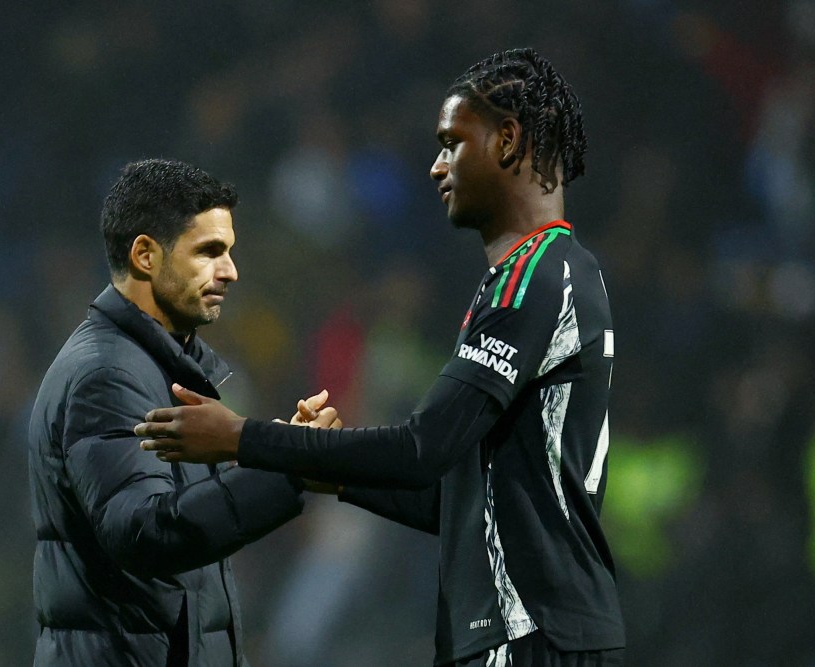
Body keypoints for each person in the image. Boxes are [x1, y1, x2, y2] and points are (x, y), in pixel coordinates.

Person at [135, 49, 626, 667]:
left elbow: (422, 451)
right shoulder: (541, 276)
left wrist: (240, 439)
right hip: (524, 626)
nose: (436, 166)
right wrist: (329, 473)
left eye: (452, 144)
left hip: (534, 631)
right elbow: (458, 500)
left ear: (507, 142)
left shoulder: (533, 281)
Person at [27, 159, 335, 666]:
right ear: (146, 255)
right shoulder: (109, 375)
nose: (230, 271)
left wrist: (275, 454)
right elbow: (146, 533)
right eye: (209, 252)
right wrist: (286, 469)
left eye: (230, 252)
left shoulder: (152, 366)